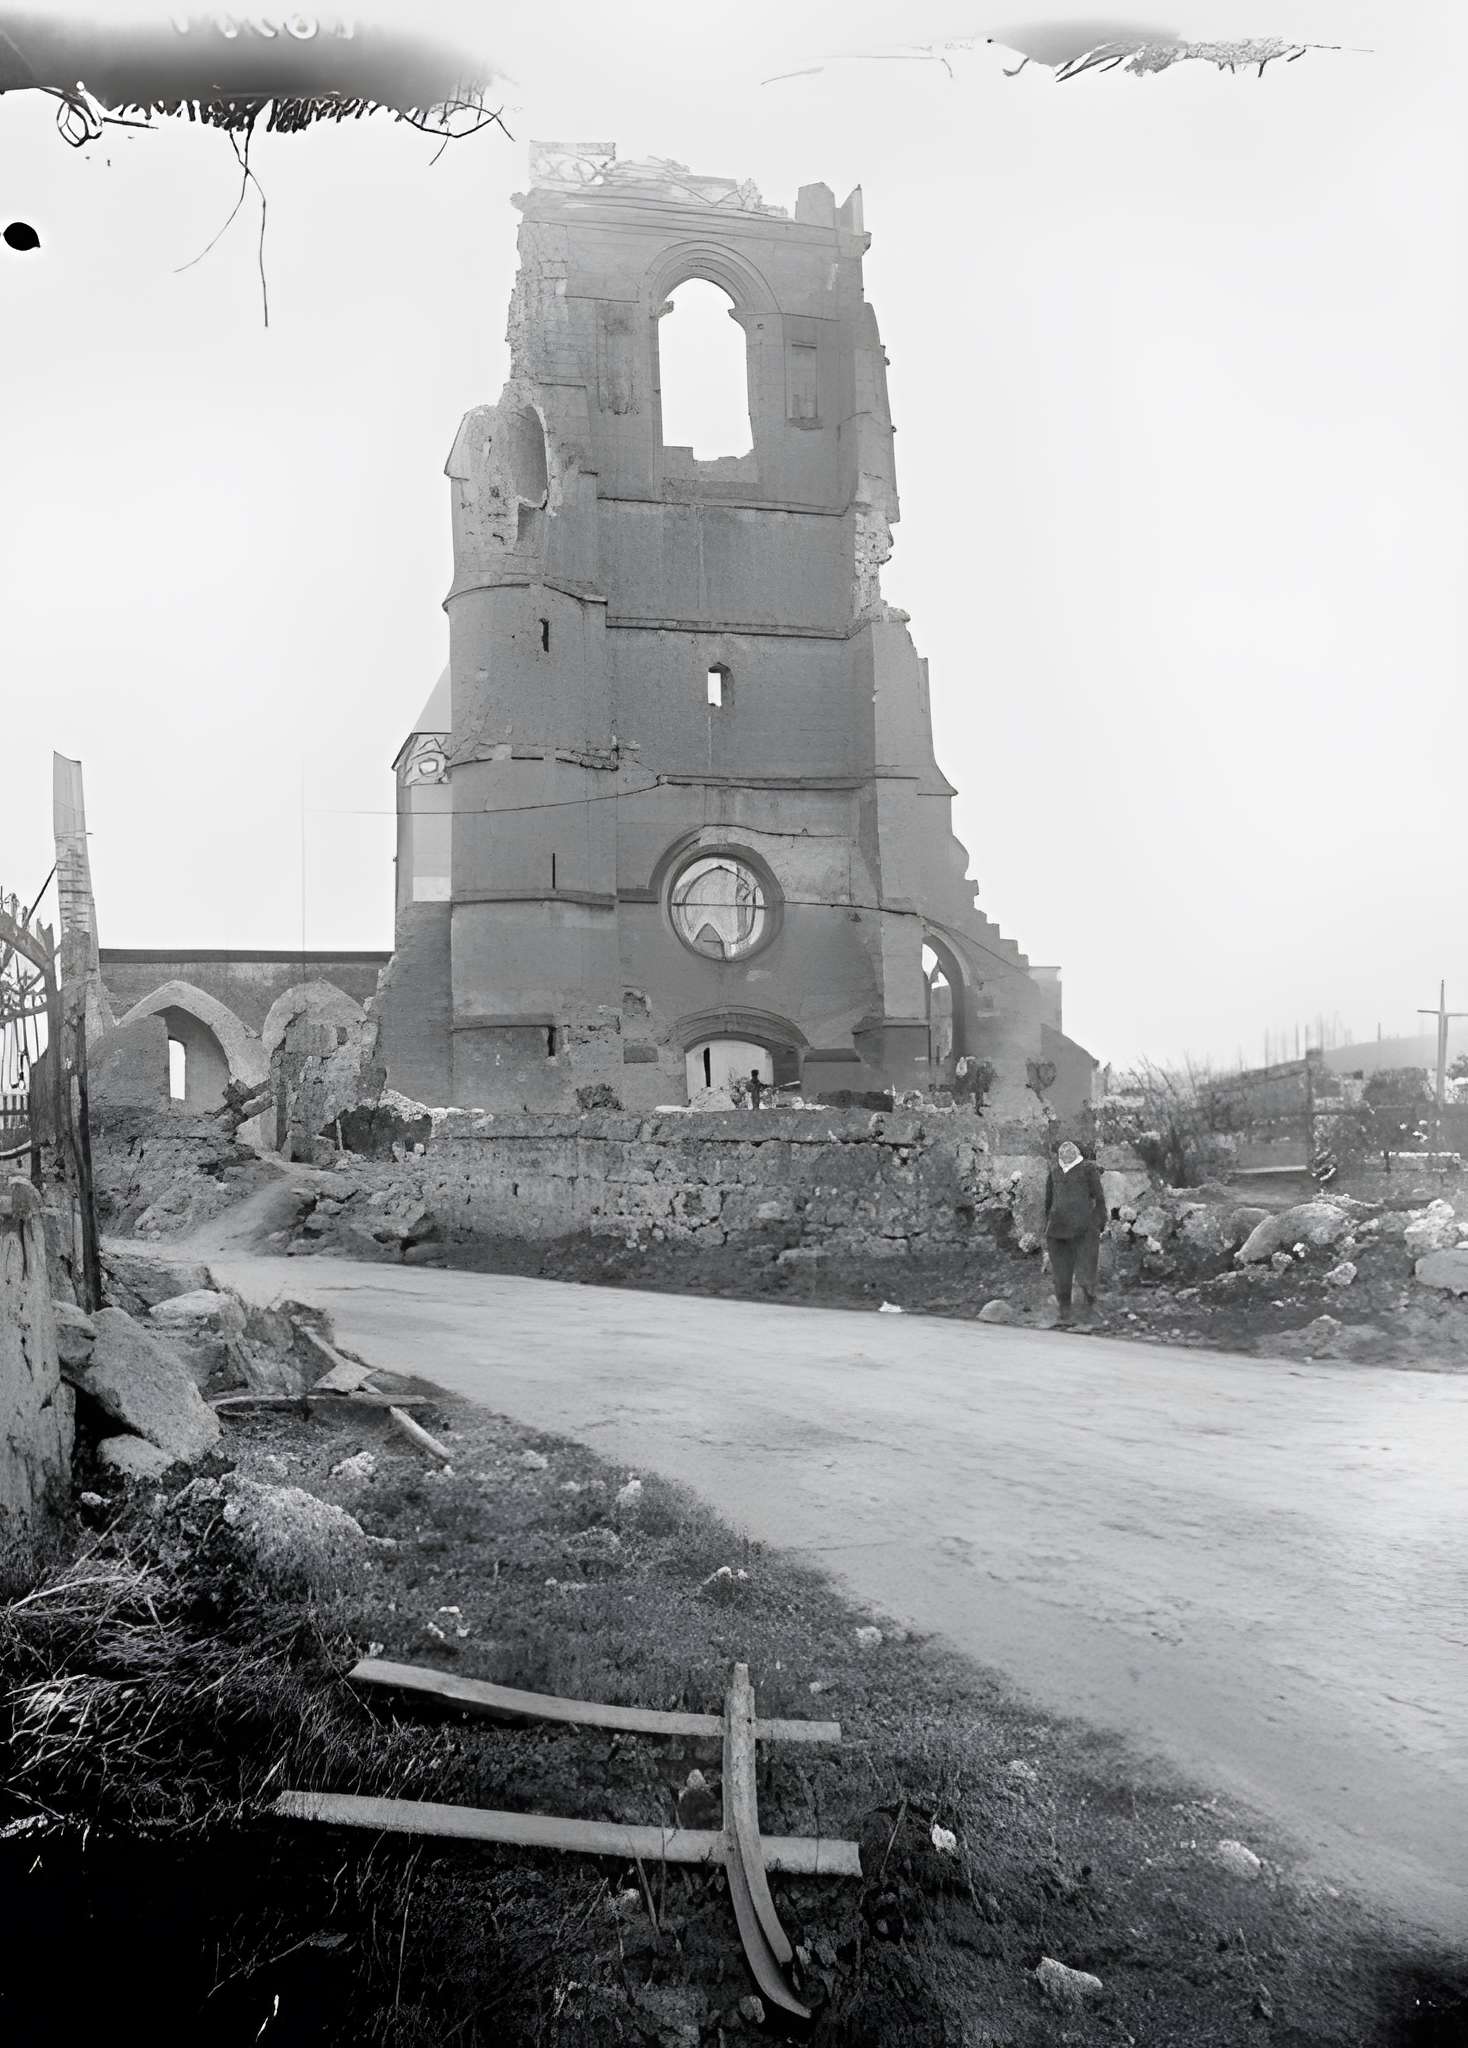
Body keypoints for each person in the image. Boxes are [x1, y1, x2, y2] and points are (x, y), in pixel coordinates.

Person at [1043, 1137, 1108, 1327]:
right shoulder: (1054, 1173)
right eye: (1062, 1149)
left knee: (1086, 1272)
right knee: (1061, 1275)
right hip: (1057, 1231)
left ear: (1078, 1152)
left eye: (1070, 1148)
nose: (1066, 1151)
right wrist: (1048, 1224)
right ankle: (1065, 1315)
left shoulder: (1088, 1170)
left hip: (1084, 1231)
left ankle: (1090, 1313)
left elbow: (1099, 1199)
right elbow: (1048, 1203)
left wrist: (1097, 1224)